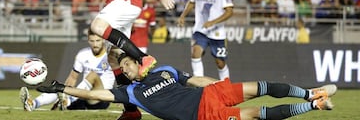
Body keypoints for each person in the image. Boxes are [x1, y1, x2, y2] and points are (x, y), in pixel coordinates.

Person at [37, 53, 337, 120]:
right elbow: (91, 93)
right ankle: (313, 105)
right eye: (123, 67)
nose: (125, 69)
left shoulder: (164, 70)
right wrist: (61, 88)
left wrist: (219, 84)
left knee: (263, 85)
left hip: (210, 92)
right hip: (203, 116)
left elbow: (194, 80)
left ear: (138, 65)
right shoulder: (129, 92)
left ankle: (312, 92)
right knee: (257, 115)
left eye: (128, 64)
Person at [19, 29, 115, 111]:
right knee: (59, 88)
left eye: (98, 40)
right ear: (88, 40)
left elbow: (123, 77)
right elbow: (73, 78)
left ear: (103, 40)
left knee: (92, 75)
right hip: (83, 96)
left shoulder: (111, 55)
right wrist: (63, 90)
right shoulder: (83, 54)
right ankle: (32, 104)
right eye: (92, 41)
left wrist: (123, 98)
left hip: (101, 98)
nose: (95, 44)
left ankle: (67, 101)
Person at [177, 0, 234, 80]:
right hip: (200, 29)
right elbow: (192, 2)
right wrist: (183, 16)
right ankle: (200, 85)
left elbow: (229, 11)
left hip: (217, 33)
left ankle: (226, 86)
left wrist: (213, 22)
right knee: (195, 53)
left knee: (220, 63)